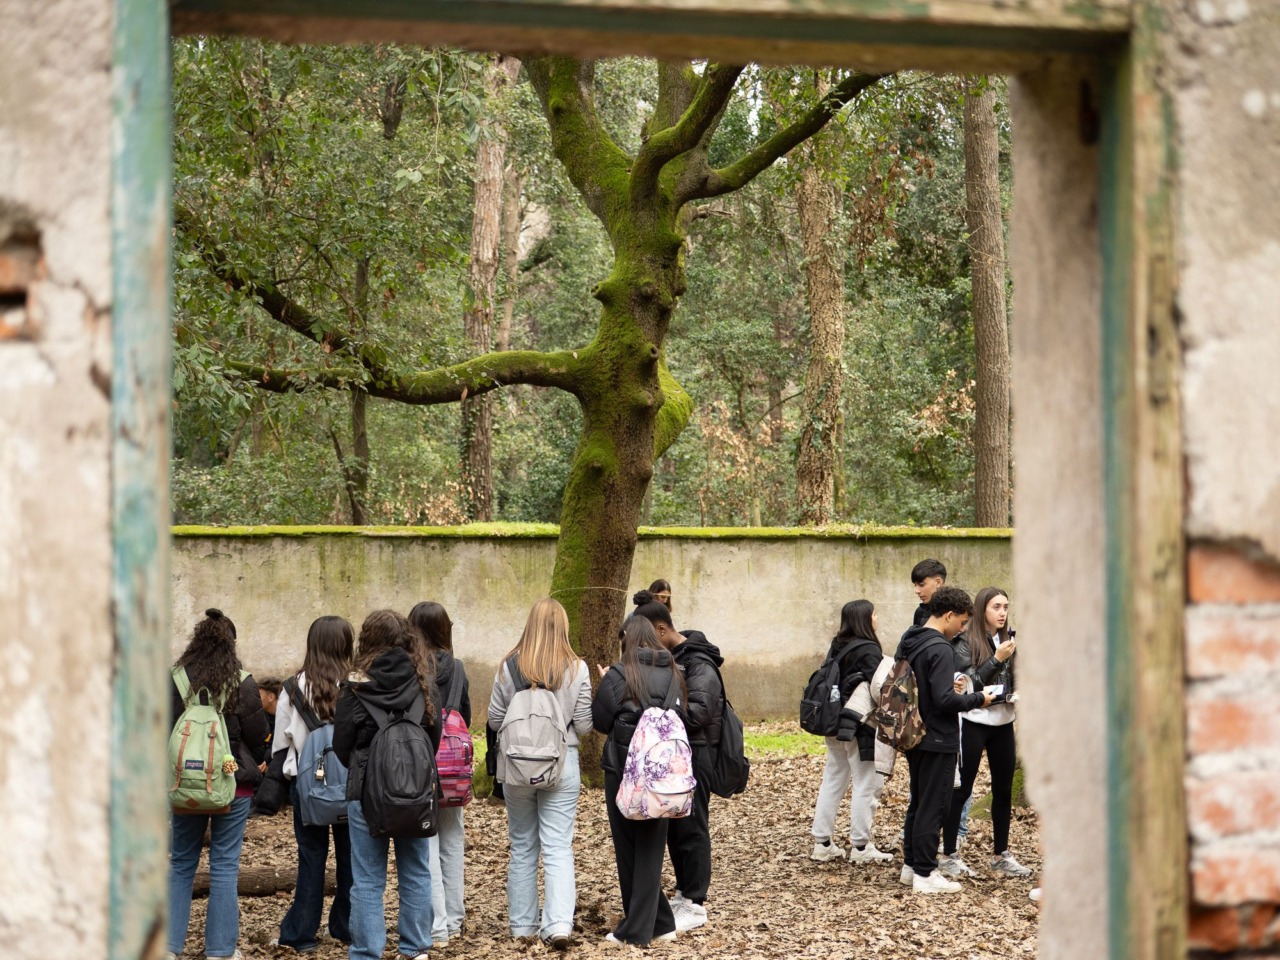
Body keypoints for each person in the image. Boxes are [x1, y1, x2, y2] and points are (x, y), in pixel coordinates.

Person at [333, 610, 440, 960]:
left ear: (366, 640)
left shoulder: (354, 684)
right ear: (407, 638)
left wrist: (368, 766)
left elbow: (341, 744)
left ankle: (367, 952)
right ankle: (416, 948)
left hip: (365, 788)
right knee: (416, 870)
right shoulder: (423, 680)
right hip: (416, 790)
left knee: (366, 878)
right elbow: (433, 738)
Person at [487, 598, 592, 949]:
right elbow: (585, 725)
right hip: (562, 763)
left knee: (522, 845)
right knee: (558, 846)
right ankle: (558, 924)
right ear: (563, 627)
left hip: (517, 766)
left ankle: (522, 926)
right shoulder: (577, 668)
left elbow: (495, 720)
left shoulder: (508, 666)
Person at [167, 608, 270, 960]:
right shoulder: (242, 681)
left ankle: (168, 948)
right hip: (232, 784)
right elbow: (258, 736)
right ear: (232, 645)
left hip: (185, 785)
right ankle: (221, 951)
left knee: (181, 863)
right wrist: (258, 757)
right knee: (225, 866)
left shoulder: (176, 679)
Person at [592, 615, 688, 946]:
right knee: (650, 847)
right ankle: (661, 923)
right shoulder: (675, 673)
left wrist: (606, 683)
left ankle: (635, 930)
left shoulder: (618, 675)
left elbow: (600, 721)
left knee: (629, 849)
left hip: (624, 772)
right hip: (663, 775)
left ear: (626, 640)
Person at [895, 587, 994, 895]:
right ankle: (925, 873)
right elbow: (944, 700)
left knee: (919, 801)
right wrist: (979, 698)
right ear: (949, 615)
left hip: (914, 732)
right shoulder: (940, 648)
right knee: (934, 805)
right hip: (938, 736)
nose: (962, 629)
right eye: (962, 622)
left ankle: (911, 866)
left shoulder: (911, 639)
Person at [633, 589, 721, 931]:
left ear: (660, 629)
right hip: (678, 755)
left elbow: (699, 712)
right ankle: (684, 893)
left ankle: (695, 904)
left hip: (697, 753)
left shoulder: (699, 663)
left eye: (645, 638)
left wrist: (658, 707)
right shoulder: (676, 659)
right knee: (677, 828)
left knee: (692, 829)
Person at [271, 616, 355, 953]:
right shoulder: (358, 683)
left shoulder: (293, 688)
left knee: (311, 857)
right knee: (351, 857)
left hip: (308, 787)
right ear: (346, 645)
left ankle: (302, 932)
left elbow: (280, 744)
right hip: (351, 782)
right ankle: (347, 926)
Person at [940, 587, 1034, 879]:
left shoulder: (1008, 640)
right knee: (962, 788)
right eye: (996, 607)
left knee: (1003, 790)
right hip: (973, 721)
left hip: (1003, 722)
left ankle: (1001, 854)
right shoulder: (965, 642)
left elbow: (1015, 678)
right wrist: (996, 658)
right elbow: (971, 684)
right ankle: (948, 854)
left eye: (1005, 606)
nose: (1002, 612)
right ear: (982, 610)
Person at [809, 600, 894, 865]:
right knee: (866, 783)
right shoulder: (868, 649)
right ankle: (861, 846)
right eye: (874, 614)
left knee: (834, 779)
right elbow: (880, 688)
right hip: (860, 724)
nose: (877, 618)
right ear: (865, 619)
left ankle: (822, 843)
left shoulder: (837, 645)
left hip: (834, 723)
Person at [409, 600, 471, 944]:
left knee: (426, 843)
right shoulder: (458, 668)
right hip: (453, 769)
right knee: (452, 840)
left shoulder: (414, 667)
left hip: (422, 763)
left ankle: (437, 926)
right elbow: (466, 717)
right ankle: (456, 919)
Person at [910, 559, 947, 627]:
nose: (916, 591)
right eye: (915, 585)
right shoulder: (920, 612)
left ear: (938, 582)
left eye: (921, 585)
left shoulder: (957, 611)